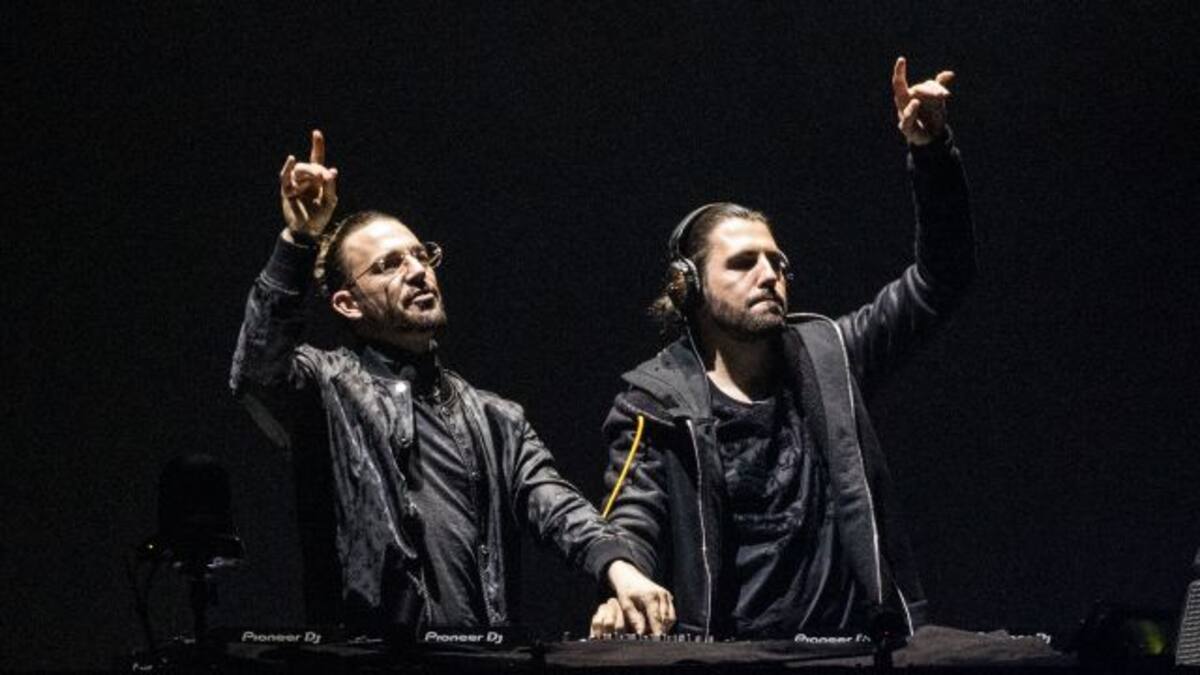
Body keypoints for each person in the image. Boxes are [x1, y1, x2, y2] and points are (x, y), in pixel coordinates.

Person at [589, 57, 976, 640]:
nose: (769, 275)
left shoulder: (830, 355)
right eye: (743, 263)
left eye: (776, 261)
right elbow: (631, 516)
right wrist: (626, 581)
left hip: (852, 649)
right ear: (688, 288)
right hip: (733, 657)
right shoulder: (654, 402)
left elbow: (940, 280)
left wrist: (932, 153)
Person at [230, 131, 675, 636]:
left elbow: (556, 506)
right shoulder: (328, 388)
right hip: (368, 662)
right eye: (389, 265)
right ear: (348, 304)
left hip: (480, 658)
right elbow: (258, 371)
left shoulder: (496, 418)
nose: (417, 271)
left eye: (421, 255)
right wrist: (297, 242)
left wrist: (619, 566)